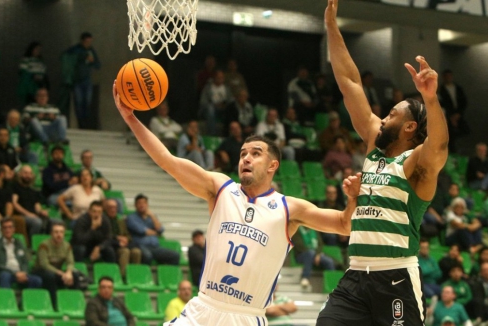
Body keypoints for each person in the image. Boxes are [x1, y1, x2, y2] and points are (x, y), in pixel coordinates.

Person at [113, 78, 361, 325]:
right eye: (243, 154)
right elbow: (168, 160)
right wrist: (131, 118)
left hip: (245, 317)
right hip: (203, 308)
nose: (246, 158)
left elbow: (344, 225)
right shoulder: (221, 189)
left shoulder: (289, 208)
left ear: (273, 165)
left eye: (255, 154)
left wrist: (352, 200)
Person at [318, 0, 449, 324]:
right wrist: (332, 29)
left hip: (395, 278)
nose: (382, 118)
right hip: (355, 276)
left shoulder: (415, 164)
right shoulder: (374, 149)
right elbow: (349, 83)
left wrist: (430, 99)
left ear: (408, 127)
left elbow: (440, 145)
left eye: (391, 115)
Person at [33, 221, 81, 308]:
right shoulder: (44, 245)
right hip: (41, 271)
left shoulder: (67, 246)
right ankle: (55, 305)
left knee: (75, 276)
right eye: (56, 232)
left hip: (57, 272)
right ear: (51, 233)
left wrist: (69, 273)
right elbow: (44, 264)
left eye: (61, 232)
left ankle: (73, 304)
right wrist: (62, 274)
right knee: (50, 276)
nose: (59, 235)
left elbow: (70, 262)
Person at [126, 194, 180, 266]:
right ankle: (145, 276)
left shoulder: (152, 217)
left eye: (144, 203)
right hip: (140, 246)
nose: (142, 205)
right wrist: (155, 233)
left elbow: (160, 230)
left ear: (147, 205)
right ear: (135, 205)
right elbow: (141, 230)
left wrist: (152, 216)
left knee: (175, 255)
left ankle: (167, 275)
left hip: (155, 247)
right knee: (147, 256)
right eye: (139, 203)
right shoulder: (131, 217)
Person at [0, 217, 42, 289]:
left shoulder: (19, 243)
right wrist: (15, 274)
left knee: (37, 280)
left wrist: (24, 272)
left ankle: (25, 300)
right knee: (5, 276)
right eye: (5, 228)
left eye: (10, 227)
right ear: (1, 230)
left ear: (14, 229)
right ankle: (7, 299)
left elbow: (25, 261)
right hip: (5, 273)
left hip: (20, 273)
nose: (7, 230)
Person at [67, 32, 101, 129]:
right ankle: (81, 123)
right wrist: (83, 57)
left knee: (87, 102)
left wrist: (92, 61)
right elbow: (69, 57)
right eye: (86, 42)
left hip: (87, 80)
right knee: (79, 102)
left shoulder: (91, 50)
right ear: (82, 41)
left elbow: (98, 65)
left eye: (90, 42)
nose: (88, 44)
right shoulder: (76, 49)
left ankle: (86, 123)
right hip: (77, 80)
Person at [104, 199, 141, 277]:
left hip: (124, 244)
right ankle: (123, 276)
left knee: (136, 252)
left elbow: (128, 235)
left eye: (114, 207)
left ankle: (134, 276)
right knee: (125, 252)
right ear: (106, 208)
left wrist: (126, 239)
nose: (113, 209)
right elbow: (104, 235)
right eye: (110, 207)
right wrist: (118, 238)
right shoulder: (103, 220)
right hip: (112, 245)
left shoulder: (120, 221)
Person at [12, 165, 46, 239]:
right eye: (25, 173)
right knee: (37, 222)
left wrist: (41, 211)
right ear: (20, 174)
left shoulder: (34, 191)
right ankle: (31, 244)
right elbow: (15, 204)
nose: (28, 175)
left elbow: (37, 206)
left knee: (52, 221)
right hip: (21, 215)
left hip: (33, 215)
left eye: (30, 173)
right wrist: (28, 214)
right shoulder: (15, 187)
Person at [439, 69, 469, 153]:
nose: (448, 78)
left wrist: (458, 113)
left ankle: (462, 151)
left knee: (464, 132)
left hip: (459, 114)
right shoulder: (441, 90)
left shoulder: (458, 88)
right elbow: (442, 104)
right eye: (446, 76)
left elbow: (463, 101)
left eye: (449, 76)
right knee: (450, 135)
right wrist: (451, 116)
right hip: (448, 116)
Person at [199, 70, 233, 136]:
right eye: (218, 77)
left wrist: (224, 105)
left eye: (222, 77)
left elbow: (231, 101)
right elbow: (203, 101)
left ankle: (228, 135)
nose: (220, 79)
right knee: (210, 108)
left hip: (223, 109)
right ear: (214, 77)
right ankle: (212, 134)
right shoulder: (208, 88)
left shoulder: (227, 88)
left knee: (232, 108)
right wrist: (214, 105)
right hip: (211, 109)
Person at [17, 41, 49, 106]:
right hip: (29, 90)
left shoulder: (41, 62)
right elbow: (23, 74)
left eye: (39, 49)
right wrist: (33, 76)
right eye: (36, 49)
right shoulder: (25, 60)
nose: (38, 51)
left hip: (40, 88)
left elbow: (44, 74)